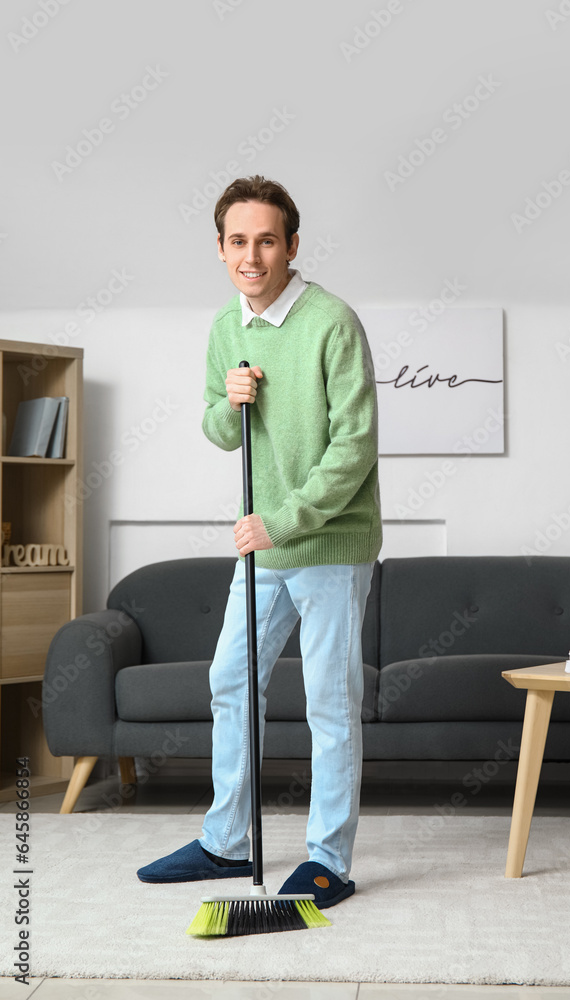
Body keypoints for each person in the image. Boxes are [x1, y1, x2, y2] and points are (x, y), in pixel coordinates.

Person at [137, 175, 382, 908]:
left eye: (266, 240)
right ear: (220, 249)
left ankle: (329, 861)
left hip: (328, 547)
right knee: (230, 682)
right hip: (261, 547)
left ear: (292, 246)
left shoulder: (332, 322)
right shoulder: (224, 329)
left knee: (331, 704)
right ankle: (225, 842)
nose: (253, 255)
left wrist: (283, 522)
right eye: (238, 241)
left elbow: (355, 448)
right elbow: (216, 425)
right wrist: (231, 401)